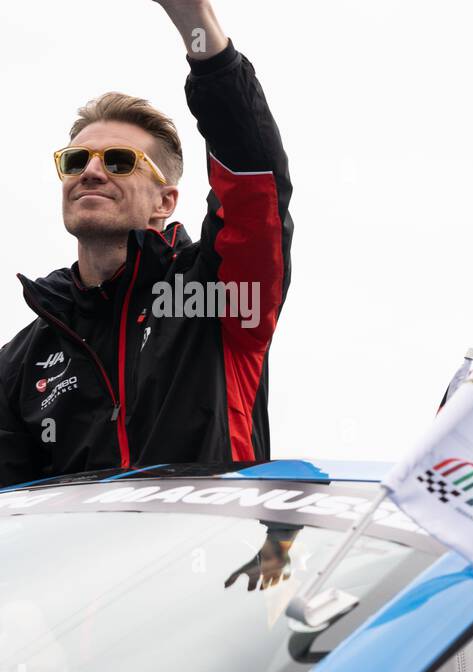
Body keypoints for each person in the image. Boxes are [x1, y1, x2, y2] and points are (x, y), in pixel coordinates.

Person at [0, 0, 292, 487]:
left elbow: (254, 181)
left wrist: (195, 22)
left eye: (118, 160)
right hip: (81, 564)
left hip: (216, 561)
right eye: (76, 161)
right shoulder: (22, 360)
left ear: (165, 200)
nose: (90, 171)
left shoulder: (219, 294)